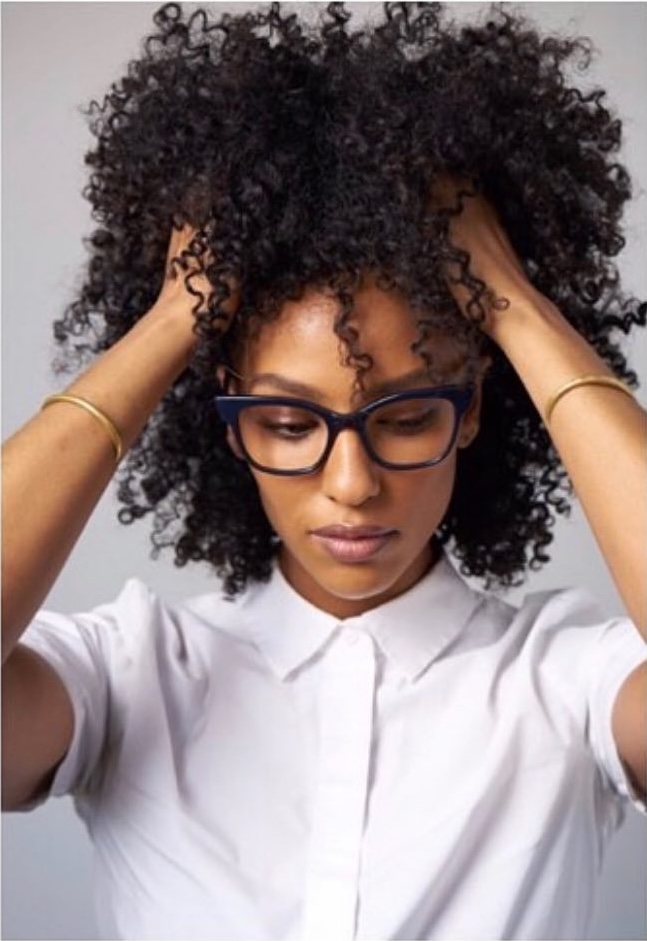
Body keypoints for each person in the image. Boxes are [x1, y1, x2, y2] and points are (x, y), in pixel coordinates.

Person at [2, 2, 646, 939]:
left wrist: (505, 301)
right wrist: (175, 319)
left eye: (411, 411)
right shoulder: (127, 674)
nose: (350, 482)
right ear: (226, 422)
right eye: (286, 418)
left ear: (471, 411)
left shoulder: (568, 679)